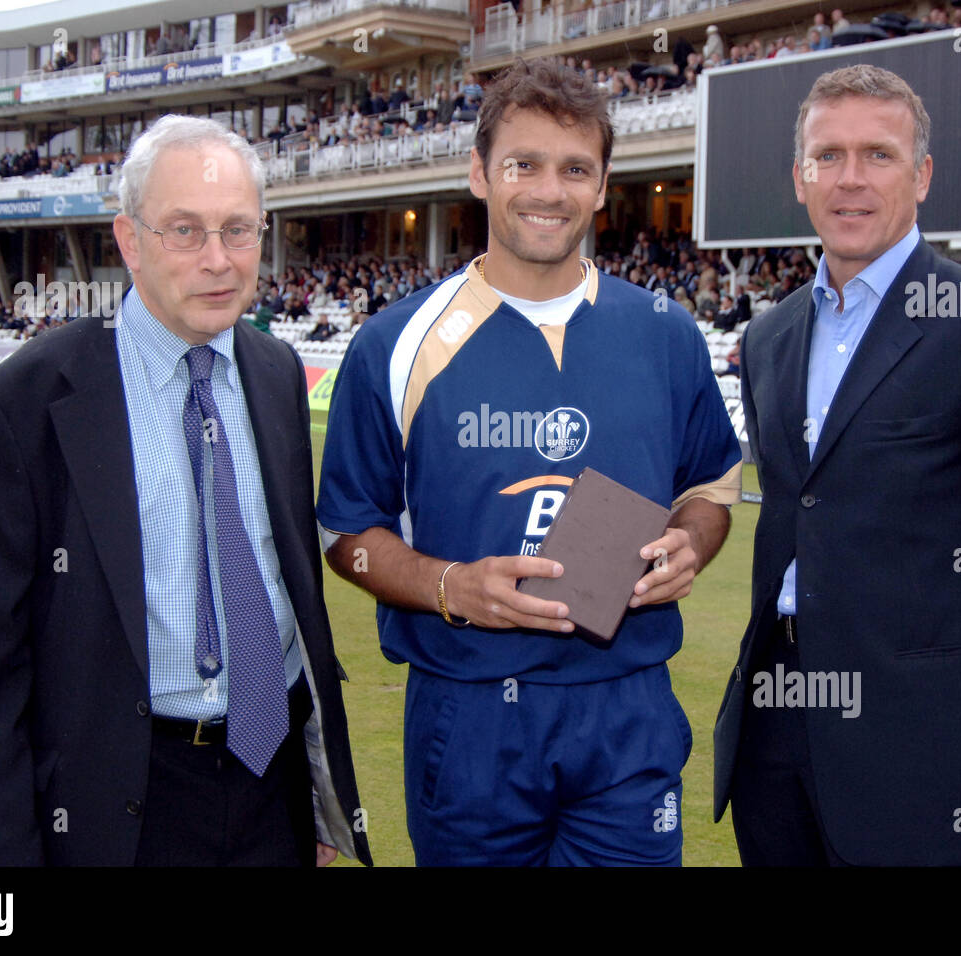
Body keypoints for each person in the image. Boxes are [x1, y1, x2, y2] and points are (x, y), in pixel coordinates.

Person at [318, 58, 742, 866]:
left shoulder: (665, 333)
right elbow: (349, 534)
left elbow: (709, 488)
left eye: (575, 168)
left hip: (628, 707)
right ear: (479, 173)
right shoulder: (394, 344)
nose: (550, 190)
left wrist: (692, 540)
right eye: (524, 165)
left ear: (604, 183)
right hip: (468, 711)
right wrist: (451, 586)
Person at [0, 114, 371, 867]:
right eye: (185, 232)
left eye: (239, 230)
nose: (219, 260)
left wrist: (318, 790)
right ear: (129, 241)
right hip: (123, 807)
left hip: (274, 792)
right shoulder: (17, 409)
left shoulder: (274, 374)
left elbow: (287, 593)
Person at [711, 65, 961, 867]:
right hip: (775, 738)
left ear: (923, 175)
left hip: (923, 753)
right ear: (800, 177)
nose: (850, 178)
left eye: (879, 154)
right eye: (827, 155)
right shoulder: (769, 339)